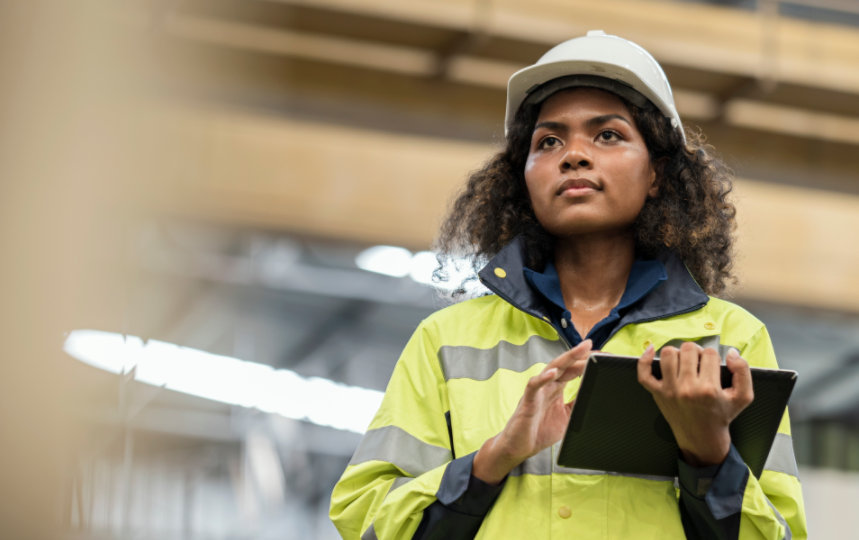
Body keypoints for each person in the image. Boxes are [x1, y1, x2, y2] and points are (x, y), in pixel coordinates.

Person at [329, 30, 807, 539]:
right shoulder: (446, 342)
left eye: (608, 135)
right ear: (524, 179)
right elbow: (368, 522)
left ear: (657, 175)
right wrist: (494, 458)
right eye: (548, 141)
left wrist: (708, 453)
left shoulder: (730, 341)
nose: (573, 155)